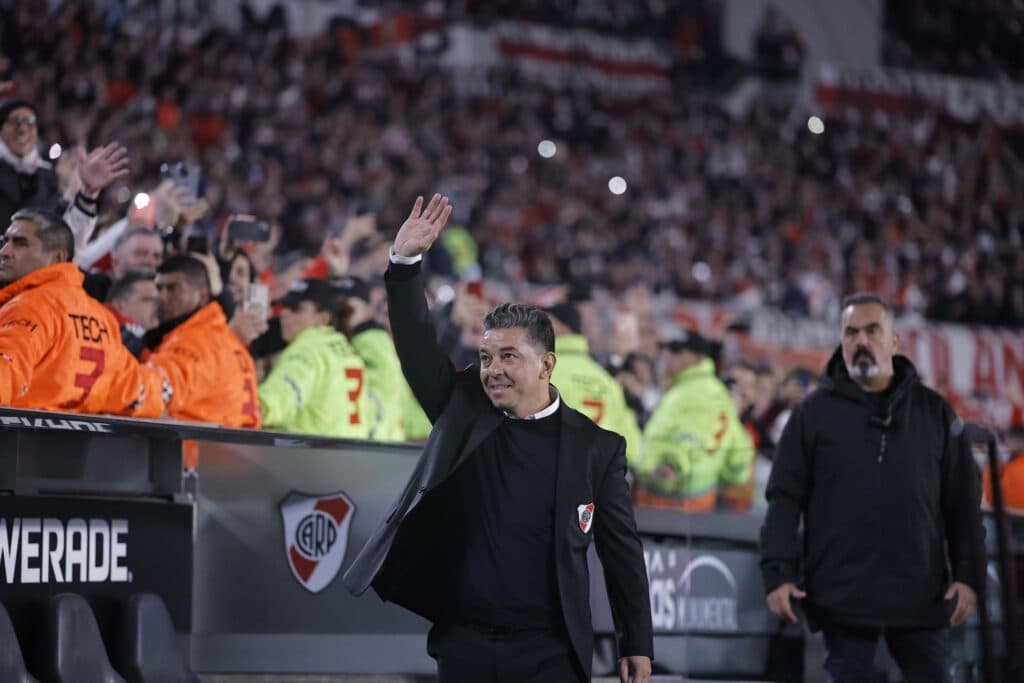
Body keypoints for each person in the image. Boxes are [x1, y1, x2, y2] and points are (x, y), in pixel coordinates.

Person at [343, 194, 653, 683]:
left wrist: (636, 641)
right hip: (465, 644)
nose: (493, 370)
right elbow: (417, 344)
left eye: (509, 357)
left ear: (546, 365)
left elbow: (621, 553)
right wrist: (403, 265)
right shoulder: (463, 406)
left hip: (551, 652)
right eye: (487, 358)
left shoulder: (597, 447)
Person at [759, 293, 985, 682]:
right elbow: (784, 501)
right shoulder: (811, 415)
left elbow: (963, 503)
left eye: (872, 330)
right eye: (851, 333)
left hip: (920, 597)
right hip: (842, 599)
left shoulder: (934, 412)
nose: (861, 341)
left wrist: (969, 574)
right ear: (841, 341)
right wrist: (778, 574)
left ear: (893, 341)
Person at [0, 209, 164, 415]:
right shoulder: (102, 318)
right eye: (5, 241)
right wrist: (162, 393)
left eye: (20, 243)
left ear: (57, 258)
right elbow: (135, 389)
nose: (5, 252)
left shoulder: (30, 307)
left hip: (20, 434)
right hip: (78, 434)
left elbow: (5, 372)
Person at [638, 329, 755, 512]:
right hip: (693, 503)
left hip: (671, 504)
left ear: (697, 358)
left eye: (676, 351)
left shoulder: (695, 391)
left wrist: (674, 465)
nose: (668, 356)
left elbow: (693, 437)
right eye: (667, 350)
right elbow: (738, 452)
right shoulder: (708, 389)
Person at [144, 255, 260, 428]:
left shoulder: (191, 344)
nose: (162, 297)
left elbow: (147, 392)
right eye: (159, 288)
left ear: (202, 295)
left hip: (192, 445)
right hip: (230, 443)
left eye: (172, 288)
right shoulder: (229, 341)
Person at [0, 98, 129, 248]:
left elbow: (66, 237)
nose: (23, 128)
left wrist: (87, 193)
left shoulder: (50, 176)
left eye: (30, 122)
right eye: (15, 121)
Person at [258, 278, 369, 438]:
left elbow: (278, 398)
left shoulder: (308, 348)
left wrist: (251, 408)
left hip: (310, 451)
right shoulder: (348, 350)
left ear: (322, 318)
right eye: (284, 306)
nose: (283, 313)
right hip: (353, 449)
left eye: (295, 308)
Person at [544, 301, 642, 463]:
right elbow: (631, 446)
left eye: (543, 324)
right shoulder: (606, 380)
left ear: (561, 328)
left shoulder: (542, 371)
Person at [334, 275, 428, 442]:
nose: (339, 315)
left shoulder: (371, 344)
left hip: (378, 446)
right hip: (391, 445)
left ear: (367, 312)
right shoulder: (376, 346)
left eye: (347, 309)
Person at [84, 227, 165, 302]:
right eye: (141, 253)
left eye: (156, 256)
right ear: (115, 260)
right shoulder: (86, 289)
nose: (150, 262)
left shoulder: (164, 300)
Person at [106, 271, 159, 357]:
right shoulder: (118, 335)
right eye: (148, 300)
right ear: (119, 304)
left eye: (159, 300)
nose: (158, 305)